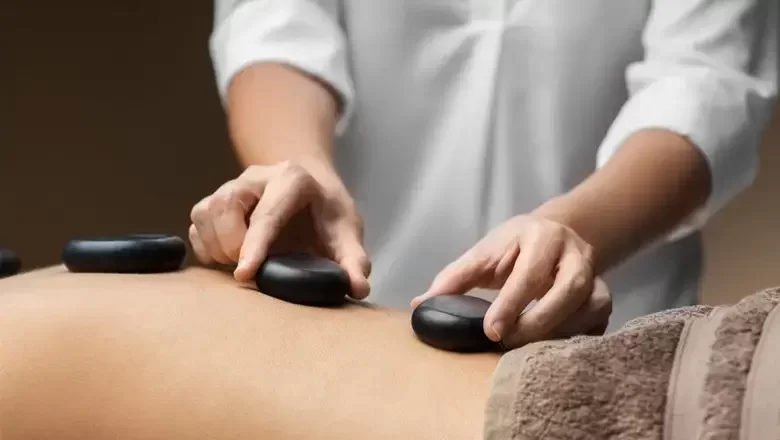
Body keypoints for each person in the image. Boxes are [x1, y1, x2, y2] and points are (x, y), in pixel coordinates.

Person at [191, 0, 778, 346]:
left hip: (600, 323)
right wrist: (300, 167)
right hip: (348, 316)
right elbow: (274, 21)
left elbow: (705, 82)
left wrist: (570, 235)